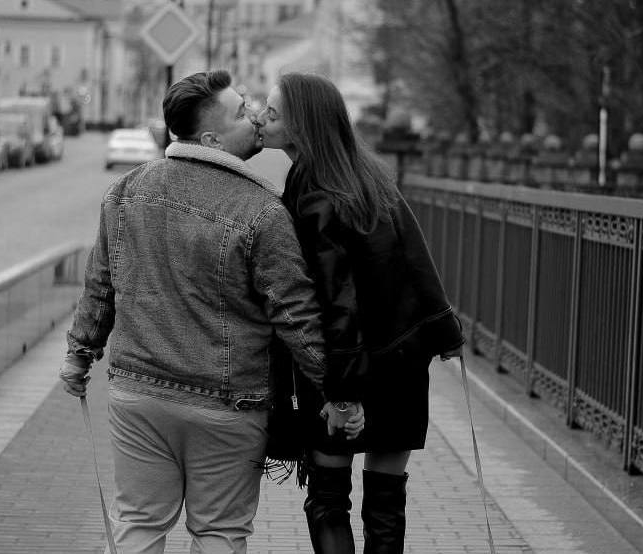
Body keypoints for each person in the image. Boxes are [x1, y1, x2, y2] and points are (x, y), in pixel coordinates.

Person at [58, 69, 363, 554]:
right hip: (228, 403)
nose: (256, 118)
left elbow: (100, 285)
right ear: (211, 140)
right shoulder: (263, 212)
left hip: (139, 393)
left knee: (139, 523)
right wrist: (338, 392)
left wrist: (79, 356)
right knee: (220, 532)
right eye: (241, 112)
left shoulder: (126, 191)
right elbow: (296, 316)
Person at [255, 73, 465, 554]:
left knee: (329, 500)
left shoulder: (315, 193)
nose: (261, 119)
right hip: (402, 362)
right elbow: (417, 256)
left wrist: (343, 394)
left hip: (344, 366)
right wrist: (445, 331)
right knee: (387, 503)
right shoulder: (367, 175)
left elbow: (337, 299)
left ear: (302, 125)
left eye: (272, 112)